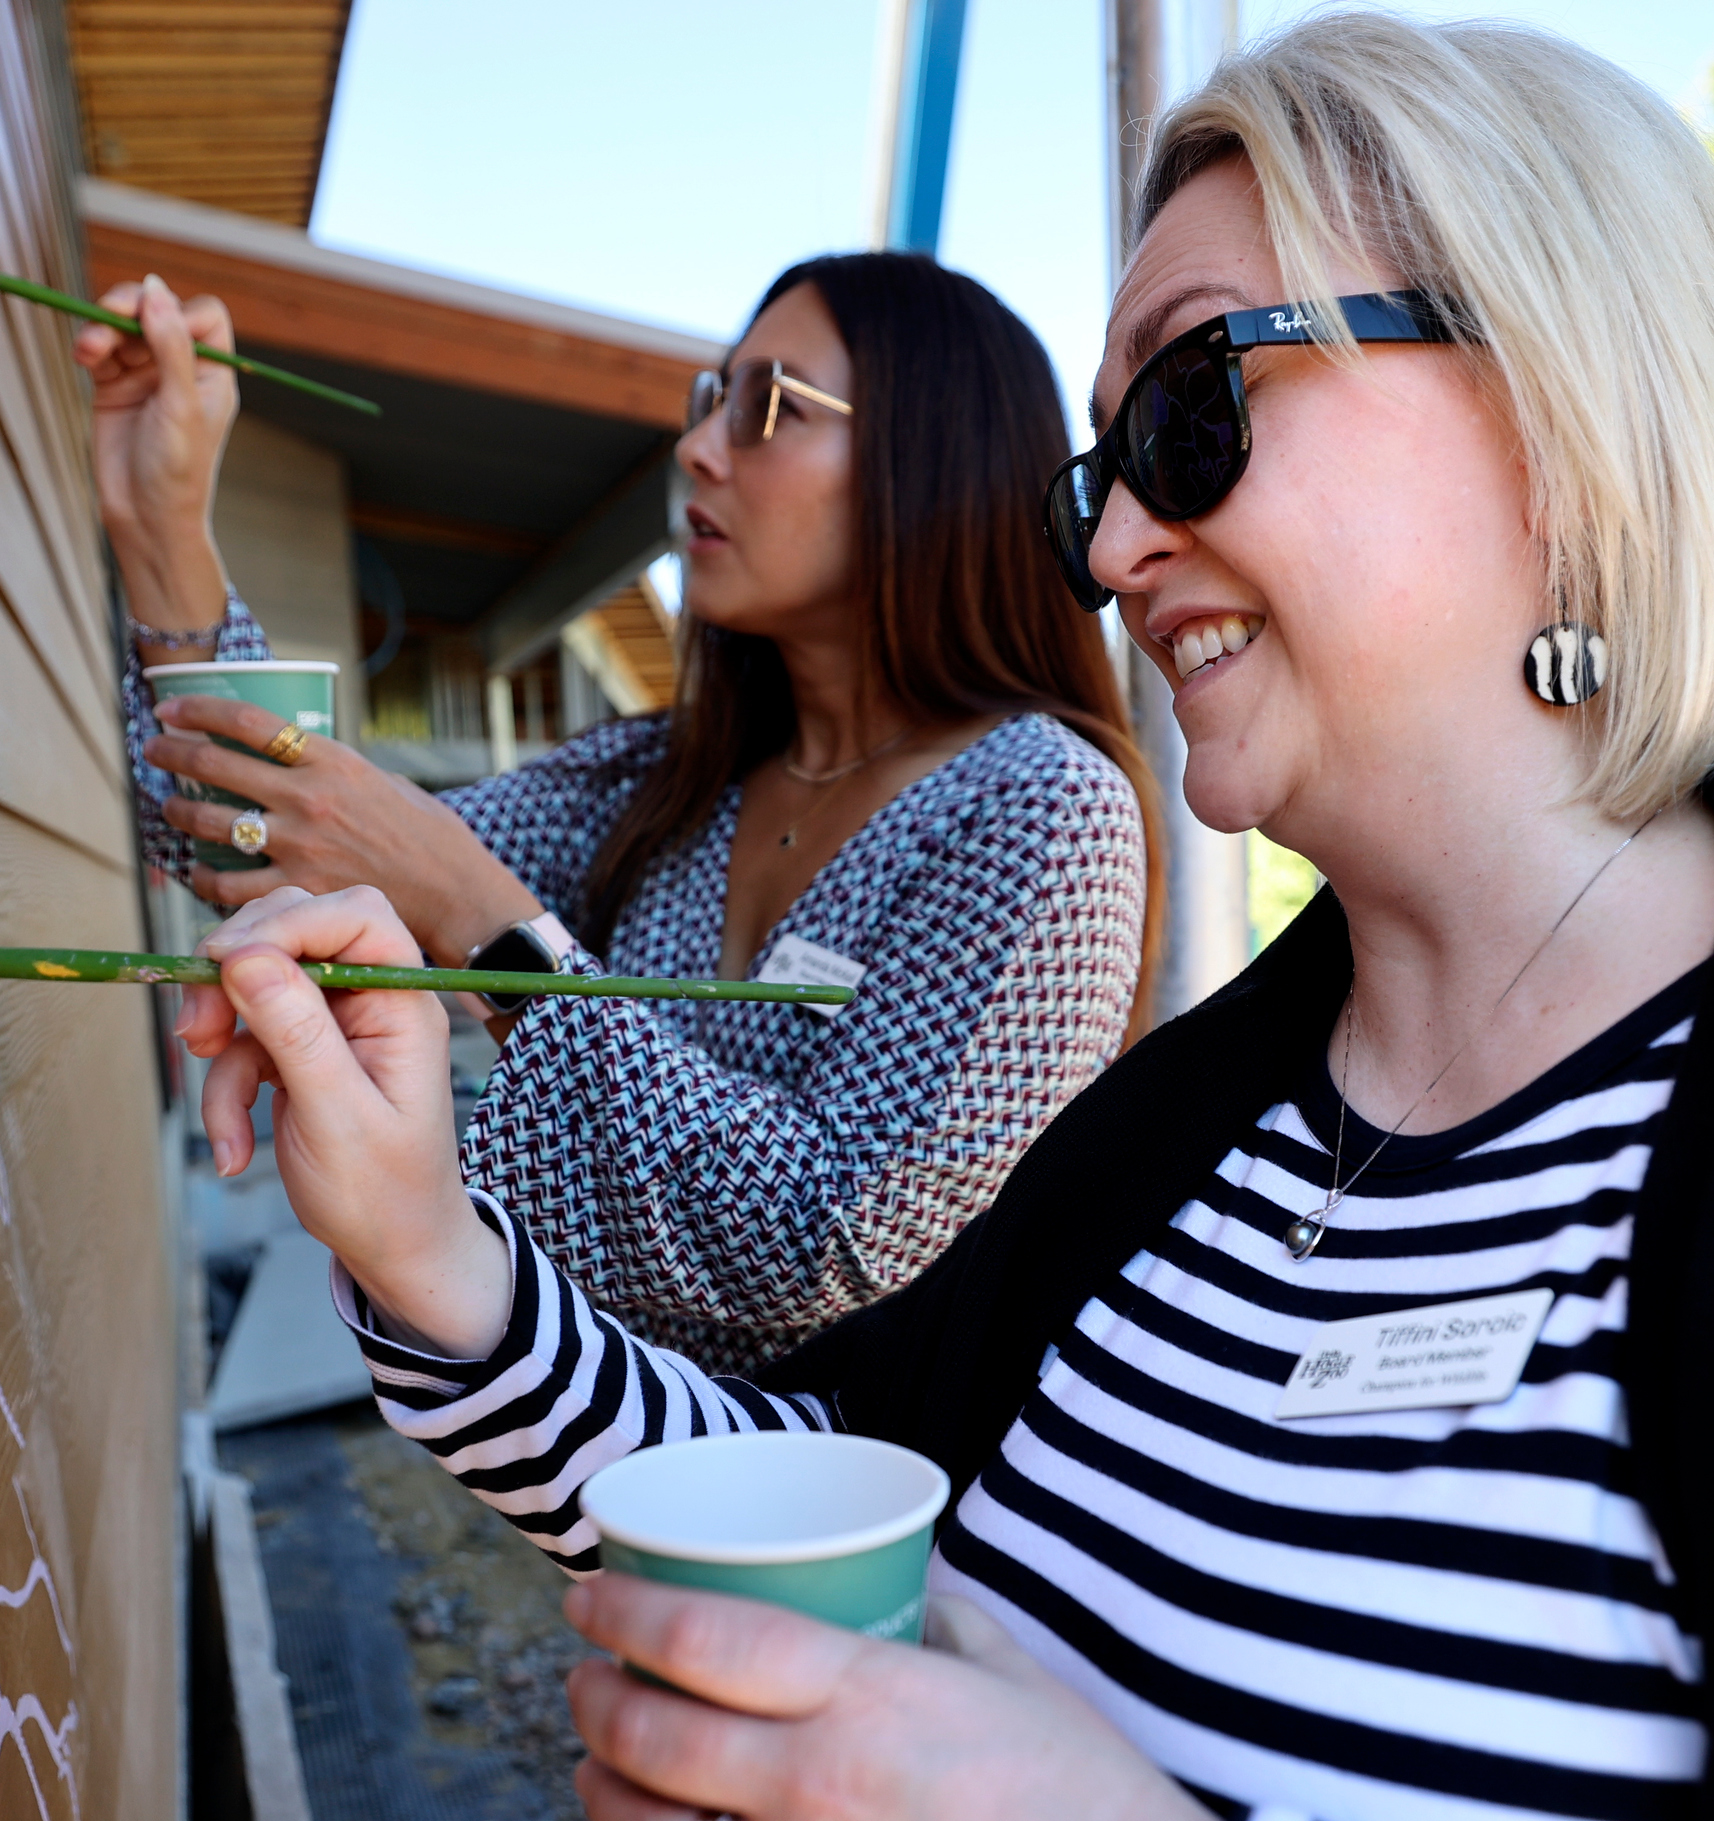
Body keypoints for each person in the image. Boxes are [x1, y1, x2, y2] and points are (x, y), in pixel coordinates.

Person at [167, 15, 1714, 1821]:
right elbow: (831, 1516)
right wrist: (430, 1253)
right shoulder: (1192, 1129)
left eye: (1195, 404)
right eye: (1108, 462)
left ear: (1564, 384)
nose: (1106, 540)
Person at [79, 256, 1157, 1373]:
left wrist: (477, 917)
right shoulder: (666, 776)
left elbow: (835, 1235)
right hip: (593, 1484)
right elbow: (266, 851)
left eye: (771, 407)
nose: (696, 447)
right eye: (711, 399)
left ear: (942, 459)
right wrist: (163, 526)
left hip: (863, 1518)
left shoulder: (1041, 805)